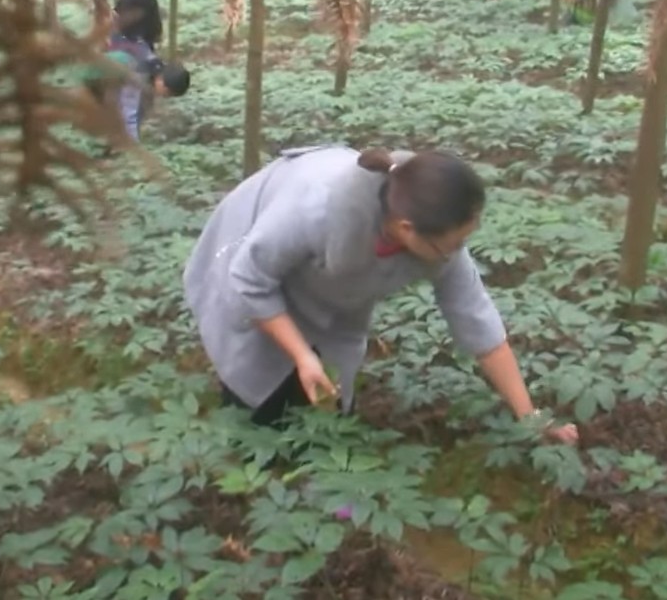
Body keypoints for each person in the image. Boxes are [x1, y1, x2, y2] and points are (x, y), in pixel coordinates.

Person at [183, 144, 580, 447]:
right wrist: (302, 354)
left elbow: (476, 319)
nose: (458, 252)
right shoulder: (313, 209)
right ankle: (244, 473)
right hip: (256, 258)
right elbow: (251, 281)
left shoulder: (436, 237)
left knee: (328, 408)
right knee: (254, 392)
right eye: (454, 242)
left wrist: (531, 418)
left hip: (333, 294)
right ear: (407, 229)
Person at [82, 0, 190, 143]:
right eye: (167, 94)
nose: (164, 97)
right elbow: (130, 112)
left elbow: (142, 108)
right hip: (92, 77)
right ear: (162, 83)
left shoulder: (154, 65)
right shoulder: (139, 72)